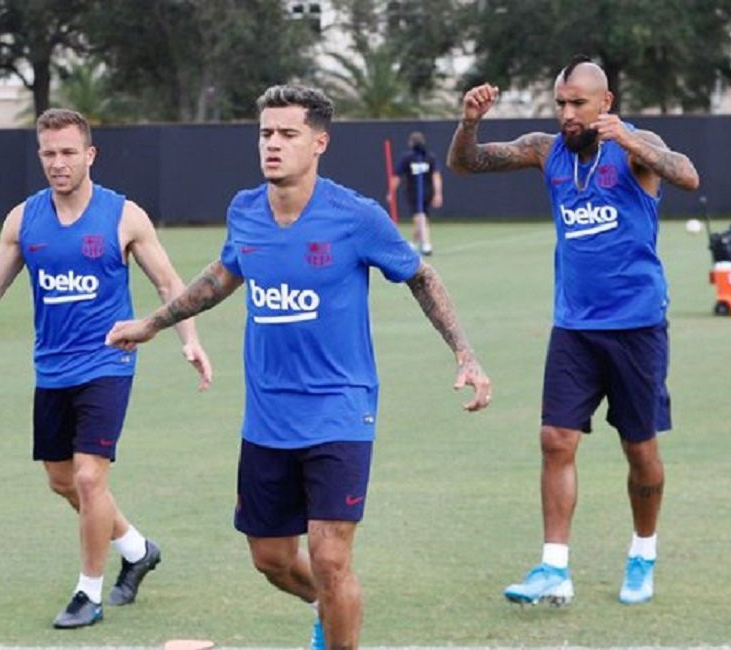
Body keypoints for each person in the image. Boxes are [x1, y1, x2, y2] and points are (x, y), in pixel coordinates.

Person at [107, 85, 491, 650]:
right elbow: (223, 275)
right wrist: (154, 323)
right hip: (267, 416)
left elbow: (421, 276)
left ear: (319, 143)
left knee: (331, 558)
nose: (273, 144)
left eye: (288, 134)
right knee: (272, 559)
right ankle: (329, 610)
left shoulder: (355, 216)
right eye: (266, 133)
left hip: (340, 408)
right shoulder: (245, 210)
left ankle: (336, 616)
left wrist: (465, 353)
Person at [0, 108, 212, 629]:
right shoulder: (24, 220)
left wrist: (189, 339)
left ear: (89, 155)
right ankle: (137, 549)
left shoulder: (123, 216)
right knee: (63, 481)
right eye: (49, 153)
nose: (58, 163)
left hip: (109, 362)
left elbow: (168, 284)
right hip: (52, 369)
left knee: (90, 478)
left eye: (69, 152)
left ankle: (87, 593)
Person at [447, 55, 700, 606]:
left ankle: (642, 553)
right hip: (574, 327)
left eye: (577, 103)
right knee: (555, 440)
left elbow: (687, 174)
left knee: (639, 449)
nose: (566, 113)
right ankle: (553, 569)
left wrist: (633, 143)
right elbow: (468, 164)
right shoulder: (547, 150)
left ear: (604, 103)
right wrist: (469, 122)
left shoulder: (635, 147)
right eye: (560, 102)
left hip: (636, 327)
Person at [387, 131, 443, 255]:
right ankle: (413, 243)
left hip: (419, 192)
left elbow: (436, 176)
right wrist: (438, 193)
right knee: (421, 218)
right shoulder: (409, 158)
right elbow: (397, 176)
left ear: (411, 143)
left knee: (420, 217)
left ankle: (427, 244)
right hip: (417, 191)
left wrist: (391, 192)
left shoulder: (429, 158)